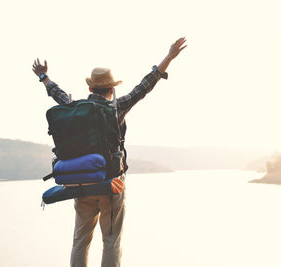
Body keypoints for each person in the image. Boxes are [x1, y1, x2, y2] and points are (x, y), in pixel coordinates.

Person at [32, 37, 187, 267]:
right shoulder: (116, 107)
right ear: (112, 88)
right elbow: (145, 86)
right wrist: (169, 57)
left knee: (80, 241)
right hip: (112, 185)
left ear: (90, 88)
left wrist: (43, 76)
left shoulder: (73, 108)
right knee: (111, 241)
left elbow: (57, 93)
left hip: (81, 184)